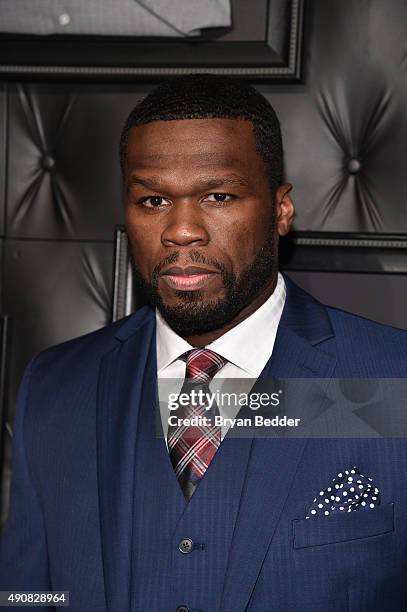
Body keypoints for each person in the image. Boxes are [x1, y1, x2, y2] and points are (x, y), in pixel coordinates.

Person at [1, 73, 406, 611]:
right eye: (153, 200)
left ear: (281, 210)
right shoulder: (56, 386)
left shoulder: (391, 380)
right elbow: (27, 595)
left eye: (218, 195)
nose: (182, 230)